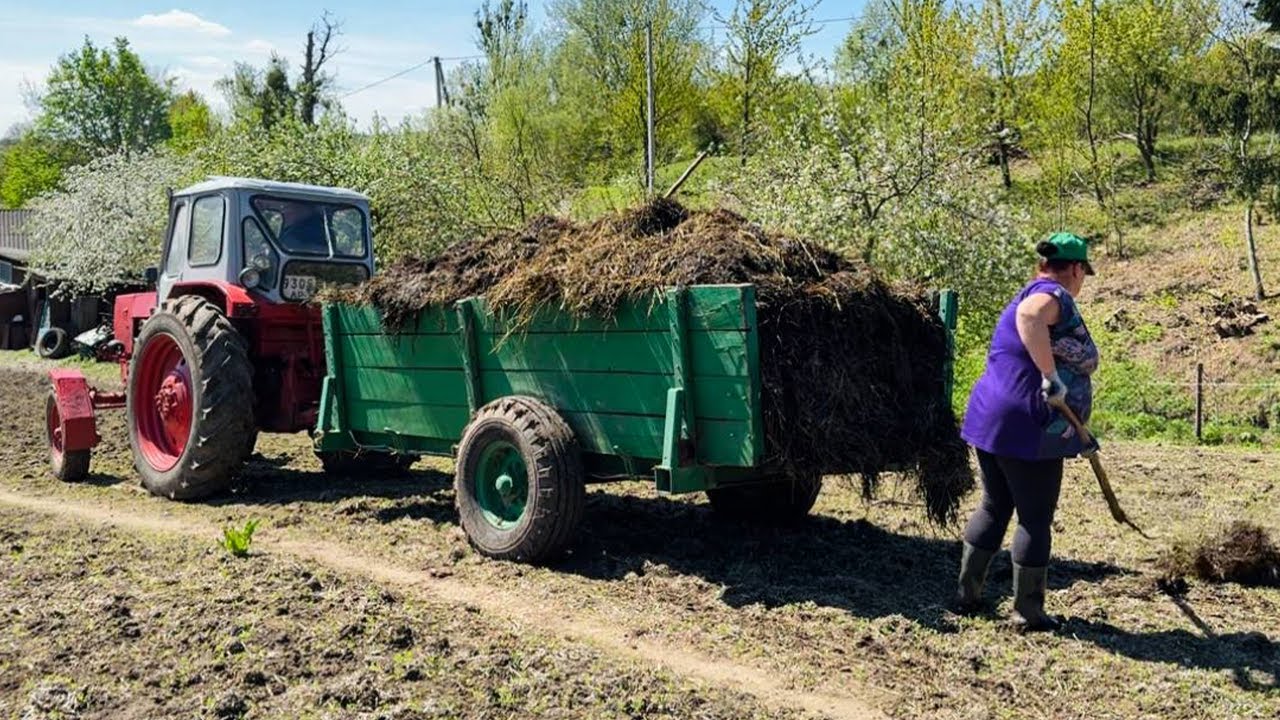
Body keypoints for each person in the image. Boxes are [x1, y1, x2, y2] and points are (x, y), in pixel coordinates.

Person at [954, 232, 1099, 632]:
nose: (1082, 279)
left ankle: (967, 596)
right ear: (1074, 268)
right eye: (1083, 271)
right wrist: (1050, 377)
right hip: (1027, 422)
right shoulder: (1052, 296)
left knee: (994, 505)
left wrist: (1080, 430)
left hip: (991, 417)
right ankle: (1028, 613)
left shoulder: (1027, 289)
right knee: (1035, 518)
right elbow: (1032, 317)